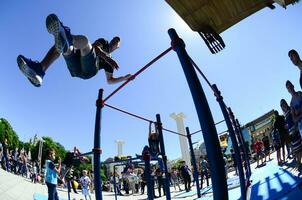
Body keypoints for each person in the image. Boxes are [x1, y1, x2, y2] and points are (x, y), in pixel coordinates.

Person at [17, 13, 131, 87]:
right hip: (76, 66)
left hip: (89, 71)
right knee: (64, 46)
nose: (114, 42)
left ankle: (66, 36)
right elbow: (95, 47)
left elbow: (110, 80)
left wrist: (124, 79)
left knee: (84, 41)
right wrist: (106, 56)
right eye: (114, 39)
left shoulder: (110, 62)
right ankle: (40, 70)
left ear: (117, 47)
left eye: (117, 42)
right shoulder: (104, 42)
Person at [281, 99, 302, 169]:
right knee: (295, 149)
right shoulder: (285, 114)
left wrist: (296, 127)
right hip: (290, 132)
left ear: (286, 103)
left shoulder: (290, 110)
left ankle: (299, 163)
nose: (283, 106)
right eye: (281, 105)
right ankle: (299, 162)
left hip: (295, 130)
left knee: (298, 148)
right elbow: (287, 123)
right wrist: (286, 126)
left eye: (283, 103)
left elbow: (294, 118)